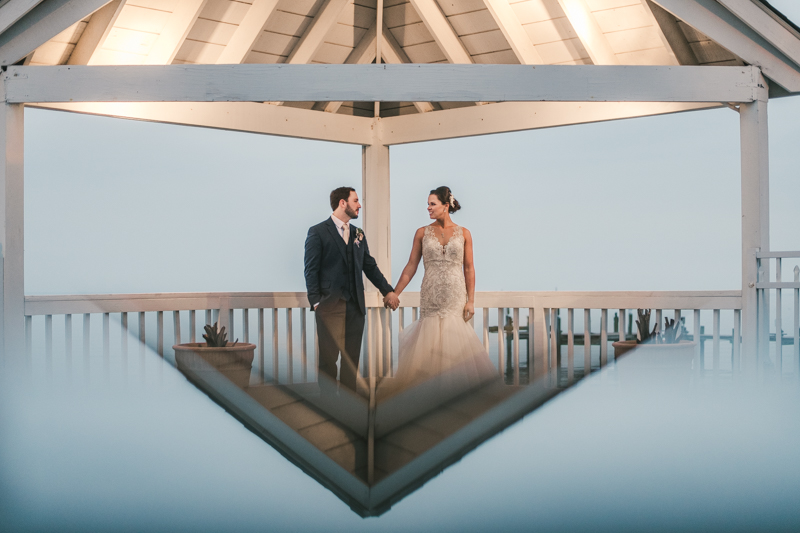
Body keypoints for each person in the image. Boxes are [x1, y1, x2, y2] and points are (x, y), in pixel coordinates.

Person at [388, 186, 495, 387]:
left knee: (454, 345)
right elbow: (411, 266)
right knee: (427, 344)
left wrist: (471, 301)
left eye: (432, 204)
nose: (428, 208)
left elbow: (469, 268)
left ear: (446, 206)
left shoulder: (464, 233)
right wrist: (395, 292)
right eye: (428, 204)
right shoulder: (422, 233)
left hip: (455, 296)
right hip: (430, 295)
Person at [304, 187, 399, 392]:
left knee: (351, 363)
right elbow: (310, 270)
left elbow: (369, 266)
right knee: (328, 363)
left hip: (355, 308)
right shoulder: (318, 231)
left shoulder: (359, 234)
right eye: (356, 201)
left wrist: (388, 291)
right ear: (342, 203)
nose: (359, 205)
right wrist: (316, 302)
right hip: (329, 307)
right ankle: (329, 409)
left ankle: (349, 410)